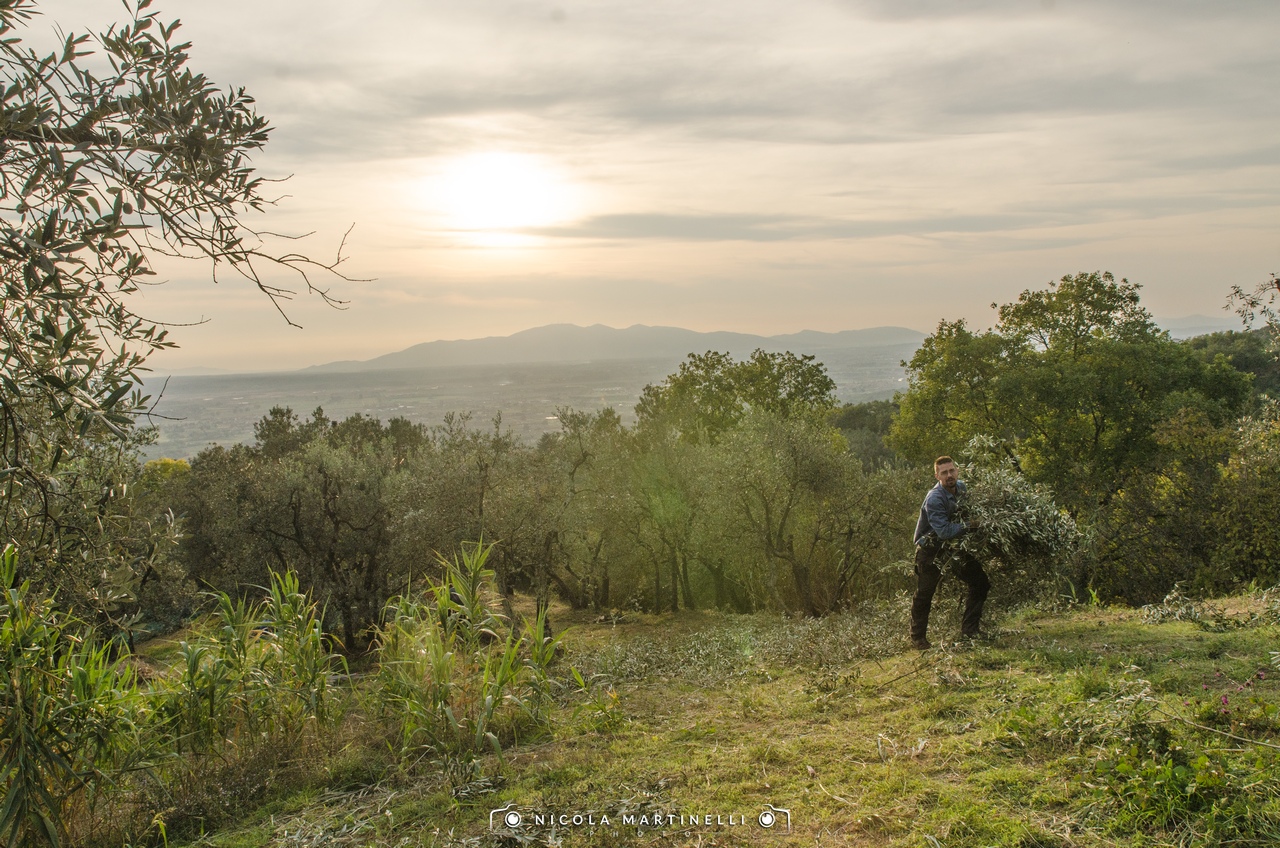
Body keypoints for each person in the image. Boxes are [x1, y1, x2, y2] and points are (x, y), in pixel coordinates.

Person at [909, 455, 990, 650]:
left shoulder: (961, 488)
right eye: (944, 473)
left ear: (957, 471)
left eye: (952, 470)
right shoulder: (934, 499)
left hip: (952, 548)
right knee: (925, 594)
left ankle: (970, 630)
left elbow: (967, 511)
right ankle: (918, 638)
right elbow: (944, 531)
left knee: (980, 582)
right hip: (930, 550)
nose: (949, 475)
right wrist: (970, 525)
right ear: (937, 476)